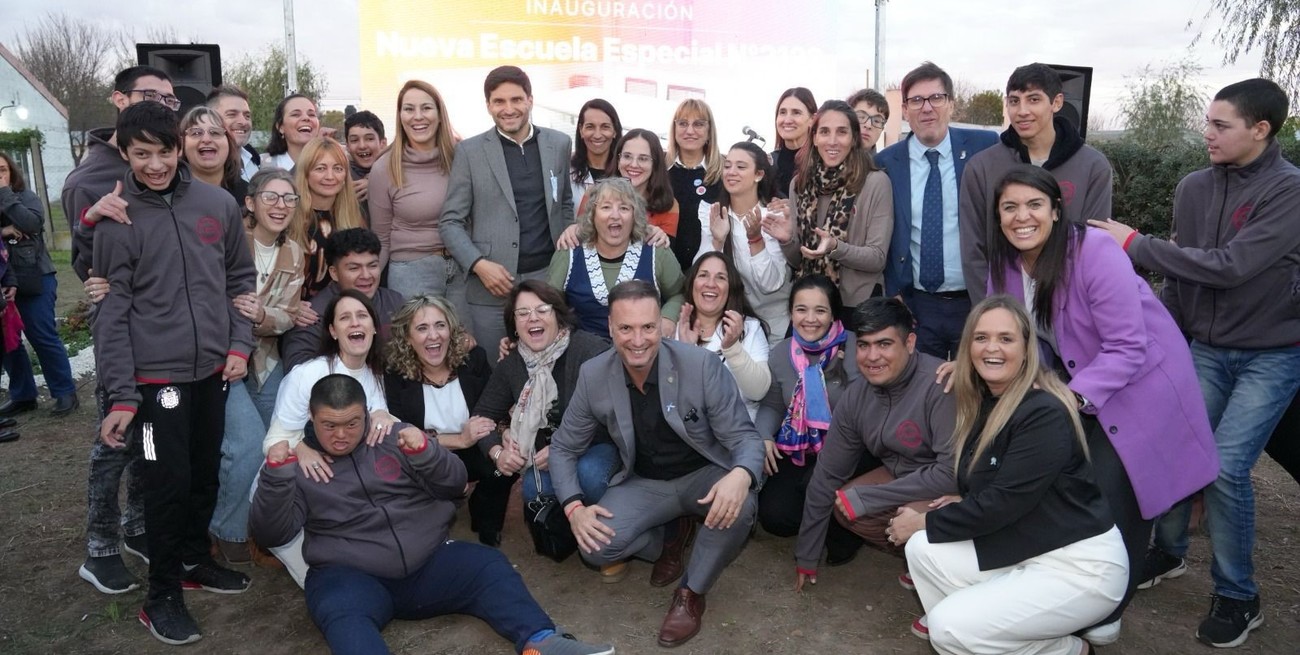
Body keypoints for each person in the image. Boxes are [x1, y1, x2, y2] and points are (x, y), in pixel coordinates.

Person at [1089, 78, 1300, 649]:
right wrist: (1160, 338)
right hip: (1203, 347)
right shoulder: (1193, 187)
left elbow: (1231, 267)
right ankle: (1169, 550)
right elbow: (1182, 274)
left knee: (1226, 468)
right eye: (1208, 122)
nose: (1207, 133)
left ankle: (1238, 595)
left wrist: (1136, 245)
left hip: (1272, 355)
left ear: (1260, 130)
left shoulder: (1289, 191)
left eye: (1220, 125)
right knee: (1177, 448)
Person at [982, 165, 1218, 645]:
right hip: (1077, 384)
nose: (1022, 217)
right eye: (1010, 207)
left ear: (1055, 210)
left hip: (1138, 386)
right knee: (1064, 485)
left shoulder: (1094, 251)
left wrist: (1067, 397)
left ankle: (1108, 606)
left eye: (1034, 205)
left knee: (1116, 495)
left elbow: (1128, 346)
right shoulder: (1004, 262)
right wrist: (969, 364)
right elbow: (1002, 332)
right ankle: (1066, 584)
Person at [250, 374, 616, 655]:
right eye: (329, 425)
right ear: (311, 418)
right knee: (338, 611)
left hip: (426, 564)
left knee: (488, 566)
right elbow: (271, 535)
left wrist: (425, 451)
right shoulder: (298, 465)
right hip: (352, 579)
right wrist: (277, 476)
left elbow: (455, 484)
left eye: (352, 423)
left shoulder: (390, 437)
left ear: (366, 414)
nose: (341, 435)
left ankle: (542, 641)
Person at [88, 101, 257, 645]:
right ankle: (160, 595)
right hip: (153, 383)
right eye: (142, 154)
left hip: (212, 373)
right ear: (125, 152)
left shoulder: (217, 204)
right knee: (166, 484)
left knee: (204, 473)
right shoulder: (116, 221)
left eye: (164, 152)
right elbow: (111, 313)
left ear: (179, 147)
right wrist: (121, 395)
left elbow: (240, 279)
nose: (156, 165)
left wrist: (239, 344)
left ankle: (191, 559)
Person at [889, 296, 1127, 655]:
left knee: (947, 627)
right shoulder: (987, 400)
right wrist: (963, 502)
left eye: (1005, 338)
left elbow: (1002, 503)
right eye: (981, 338)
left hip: (1080, 566)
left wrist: (923, 520)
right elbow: (1000, 485)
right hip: (1027, 544)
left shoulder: (1043, 412)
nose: (992, 348)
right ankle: (990, 639)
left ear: (1026, 349)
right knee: (924, 550)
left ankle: (1066, 651)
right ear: (968, 348)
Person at [551, 280, 765, 647]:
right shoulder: (593, 374)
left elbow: (745, 437)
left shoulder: (700, 365)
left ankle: (691, 592)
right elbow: (563, 447)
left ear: (660, 325)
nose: (638, 340)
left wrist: (741, 475)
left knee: (741, 503)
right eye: (626, 328)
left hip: (704, 474)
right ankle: (668, 536)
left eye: (648, 327)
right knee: (593, 548)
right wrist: (574, 508)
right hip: (645, 481)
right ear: (610, 327)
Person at [64, 64, 176, 595]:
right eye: (149, 95)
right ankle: (100, 545)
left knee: (144, 441)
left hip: (161, 332)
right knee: (114, 437)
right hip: (120, 331)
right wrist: (90, 231)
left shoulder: (163, 167)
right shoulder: (90, 178)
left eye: (169, 100)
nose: (161, 104)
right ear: (119, 99)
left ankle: (135, 525)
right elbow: (86, 266)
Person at [793, 298, 956, 590]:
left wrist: (874, 497)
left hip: (957, 489)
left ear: (909, 343)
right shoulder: (857, 396)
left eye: (884, 344)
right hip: (902, 474)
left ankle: (939, 563)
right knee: (846, 505)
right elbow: (827, 474)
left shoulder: (940, 384)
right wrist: (807, 555)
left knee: (888, 510)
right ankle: (914, 555)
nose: (872, 356)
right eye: (864, 345)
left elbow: (951, 472)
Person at [260, 289, 398, 585]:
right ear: (333, 331)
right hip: (291, 492)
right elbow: (272, 443)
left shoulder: (375, 375)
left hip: (337, 492)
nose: (355, 323)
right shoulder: (307, 375)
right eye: (345, 318)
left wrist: (387, 417)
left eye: (362, 316)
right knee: (320, 580)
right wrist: (301, 449)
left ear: (374, 327)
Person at [472, 281, 617, 553]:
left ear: (558, 316)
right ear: (514, 325)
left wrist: (565, 447)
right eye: (523, 313)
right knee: (532, 488)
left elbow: (613, 417)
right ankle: (574, 533)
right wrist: (498, 453)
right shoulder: (513, 364)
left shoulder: (589, 350)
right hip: (546, 460)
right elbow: (482, 415)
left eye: (542, 310)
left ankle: (612, 536)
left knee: (588, 474)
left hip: (596, 446)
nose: (533, 318)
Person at [439, 65, 575, 354]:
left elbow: (563, 204)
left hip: (546, 279)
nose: (508, 109)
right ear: (488, 105)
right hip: (491, 286)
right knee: (496, 369)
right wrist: (479, 265)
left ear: (530, 100)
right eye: (499, 101)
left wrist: (563, 263)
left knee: (547, 364)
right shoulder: (470, 152)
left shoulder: (559, 143)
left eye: (516, 99)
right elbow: (450, 222)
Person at [208, 168, 307, 563]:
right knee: (247, 443)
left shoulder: (294, 253)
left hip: (265, 359)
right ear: (250, 202)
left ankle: (265, 525)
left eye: (289, 199)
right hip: (221, 359)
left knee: (282, 439)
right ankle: (227, 531)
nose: (280, 206)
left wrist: (263, 314)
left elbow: (289, 315)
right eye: (271, 197)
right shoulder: (228, 242)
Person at [960, 63, 1114, 302]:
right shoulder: (981, 168)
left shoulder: (1093, 166)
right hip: (1004, 306)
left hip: (1071, 306)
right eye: (1014, 101)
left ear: (1056, 102)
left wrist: (1075, 309)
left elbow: (1093, 247)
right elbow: (973, 251)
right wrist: (992, 311)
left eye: (1033, 99)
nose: (1022, 111)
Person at [877, 62, 998, 359]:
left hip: (976, 298)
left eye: (936, 98)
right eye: (917, 100)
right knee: (923, 383)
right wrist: (894, 292)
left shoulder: (986, 148)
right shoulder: (886, 163)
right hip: (916, 305)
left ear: (951, 104)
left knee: (977, 381)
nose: (927, 108)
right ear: (905, 110)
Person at [383, 295, 514, 547]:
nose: (433, 335)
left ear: (451, 330)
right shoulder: (396, 375)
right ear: (408, 338)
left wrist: (503, 436)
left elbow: (493, 409)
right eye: (422, 328)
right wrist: (459, 440)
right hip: (428, 455)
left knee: (504, 467)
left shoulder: (473, 360)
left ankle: (485, 517)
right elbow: (403, 433)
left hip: (477, 447)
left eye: (440, 325)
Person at [754, 275, 859, 540]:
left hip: (848, 450)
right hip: (800, 447)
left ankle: (841, 526)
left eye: (820, 310)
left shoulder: (857, 348)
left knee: (819, 490)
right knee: (775, 517)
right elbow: (772, 404)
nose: (810, 319)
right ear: (791, 313)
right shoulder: (781, 353)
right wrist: (764, 436)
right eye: (801, 309)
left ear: (833, 314)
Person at [778, 99, 894, 310]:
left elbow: (877, 258)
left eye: (841, 132)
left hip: (858, 305)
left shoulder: (875, 182)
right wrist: (787, 241)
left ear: (854, 138)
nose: (832, 141)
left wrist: (835, 247)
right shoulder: (799, 184)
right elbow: (798, 260)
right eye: (824, 132)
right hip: (811, 303)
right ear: (814, 137)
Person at [547, 178, 684, 339]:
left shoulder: (656, 250)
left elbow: (679, 293)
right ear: (592, 214)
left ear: (634, 215)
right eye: (606, 207)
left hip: (642, 346)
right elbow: (548, 303)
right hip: (584, 349)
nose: (615, 215)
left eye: (624, 208)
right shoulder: (569, 252)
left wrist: (668, 318)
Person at [368, 81, 465, 306]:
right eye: (409, 109)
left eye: (426, 108)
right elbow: (381, 238)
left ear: (440, 115)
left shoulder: (462, 158)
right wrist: (366, 286)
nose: (417, 116)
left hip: (463, 270)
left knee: (464, 331)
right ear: (400, 116)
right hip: (412, 273)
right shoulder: (384, 168)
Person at [0, 151, 78, 418]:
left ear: (11, 172)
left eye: (2, 170)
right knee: (7, 339)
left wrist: (4, 195)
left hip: (35, 275)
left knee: (41, 333)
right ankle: (23, 396)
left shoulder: (24, 196)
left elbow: (32, 223)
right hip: (3, 279)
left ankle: (65, 392)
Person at [694, 142, 791, 344]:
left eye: (741, 167)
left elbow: (770, 284)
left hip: (777, 326)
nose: (731, 172)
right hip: (730, 325)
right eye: (727, 166)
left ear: (759, 175)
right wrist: (717, 241)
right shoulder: (713, 213)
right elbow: (699, 276)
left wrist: (755, 239)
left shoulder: (774, 216)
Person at [281, 228, 405, 371]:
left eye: (372, 266)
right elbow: (297, 368)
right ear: (334, 273)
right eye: (354, 268)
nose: (366, 275)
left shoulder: (395, 302)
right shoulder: (313, 314)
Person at [674, 252, 770, 419]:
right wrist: (688, 352)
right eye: (703, 275)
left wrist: (733, 348)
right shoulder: (676, 328)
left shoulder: (750, 327)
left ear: (731, 288)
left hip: (739, 428)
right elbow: (673, 397)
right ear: (692, 283)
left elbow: (758, 392)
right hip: (689, 429)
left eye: (720, 278)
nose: (711, 284)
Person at [291, 136, 367, 300]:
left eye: (338, 169)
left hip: (343, 308)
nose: (330, 176)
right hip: (296, 309)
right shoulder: (289, 218)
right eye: (320, 168)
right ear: (306, 173)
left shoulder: (355, 218)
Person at [666, 99, 722, 270]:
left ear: (709, 131)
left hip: (707, 271)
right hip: (664, 269)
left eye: (698, 124)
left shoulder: (724, 172)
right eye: (683, 123)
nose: (690, 131)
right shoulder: (660, 170)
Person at [607, 128, 679, 238]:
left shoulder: (668, 204)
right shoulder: (595, 194)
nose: (634, 164)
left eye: (643, 158)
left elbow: (666, 248)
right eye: (627, 156)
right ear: (618, 160)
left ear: (655, 165)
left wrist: (660, 238)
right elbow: (583, 234)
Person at [179, 106, 247, 202]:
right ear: (181, 144)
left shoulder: (249, 196)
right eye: (196, 133)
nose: (206, 139)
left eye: (215, 132)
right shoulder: (169, 196)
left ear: (229, 142)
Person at [570, 99, 622, 213]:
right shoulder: (565, 171)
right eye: (590, 127)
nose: (597, 135)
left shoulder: (625, 171)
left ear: (615, 131)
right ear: (581, 130)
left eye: (605, 127)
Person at [770, 87, 816, 199]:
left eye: (796, 113)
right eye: (782, 112)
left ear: (812, 119)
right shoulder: (769, 163)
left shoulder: (822, 162)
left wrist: (793, 206)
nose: (787, 120)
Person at [205, 85, 258, 181]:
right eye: (232, 114)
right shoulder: (205, 166)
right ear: (210, 118)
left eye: (247, 116)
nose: (243, 122)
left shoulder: (255, 159)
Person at [263, 94, 321, 171]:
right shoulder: (262, 165)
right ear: (280, 127)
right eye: (296, 115)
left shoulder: (333, 162)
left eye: (311, 114)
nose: (306, 118)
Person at [342, 109, 386, 209]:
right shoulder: (341, 176)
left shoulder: (397, 171)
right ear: (347, 146)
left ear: (383, 143)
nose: (362, 146)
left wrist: (377, 182)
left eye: (369, 139)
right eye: (354, 140)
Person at [847, 88, 889, 155]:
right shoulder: (830, 159)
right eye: (861, 117)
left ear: (882, 129)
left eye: (876, 121)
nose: (868, 125)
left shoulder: (885, 161)